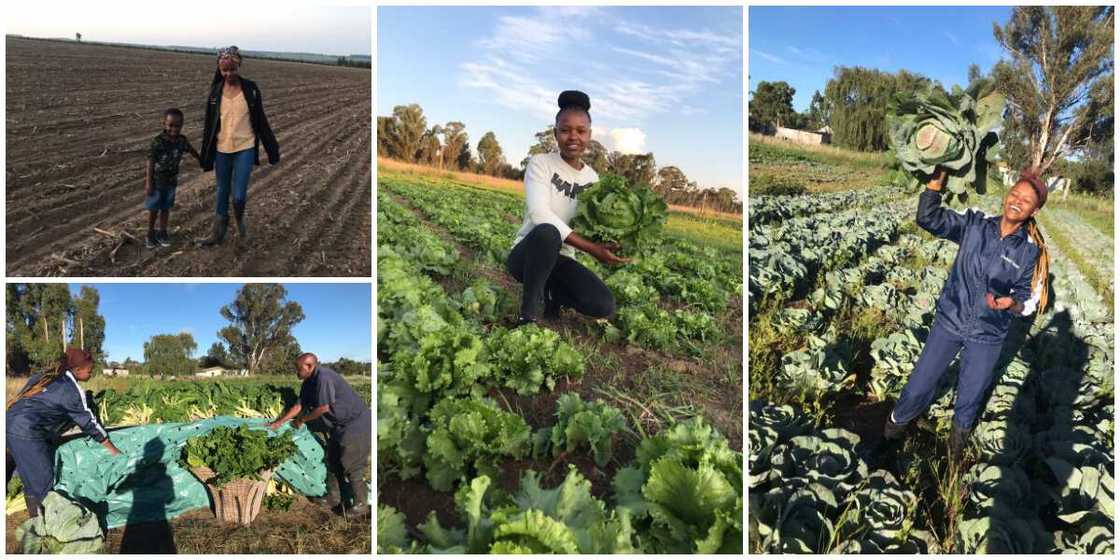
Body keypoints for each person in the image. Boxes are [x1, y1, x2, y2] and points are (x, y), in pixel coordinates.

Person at [880, 167, 1050, 459]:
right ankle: (889, 438)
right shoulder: (975, 223)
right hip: (950, 320)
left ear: (1035, 210)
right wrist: (936, 181)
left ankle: (953, 457)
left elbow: (1027, 299)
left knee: (970, 399)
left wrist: (1012, 304)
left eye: (1026, 201)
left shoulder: (1030, 251)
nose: (1016, 202)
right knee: (918, 385)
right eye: (1014, 194)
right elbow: (929, 218)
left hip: (988, 335)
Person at [507, 90, 627, 325]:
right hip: (528, 256)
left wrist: (614, 241)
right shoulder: (540, 163)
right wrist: (592, 249)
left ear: (589, 135)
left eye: (581, 131)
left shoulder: (593, 179)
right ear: (555, 133)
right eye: (565, 130)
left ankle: (553, 295)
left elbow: (594, 225)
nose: (573, 137)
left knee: (603, 304)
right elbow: (540, 214)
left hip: (561, 259)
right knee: (547, 232)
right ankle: (529, 312)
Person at [6, 348, 122, 517]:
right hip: (26, 430)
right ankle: (49, 524)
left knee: (30, 478)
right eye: (89, 370)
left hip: (10, 422)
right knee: (43, 480)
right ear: (77, 370)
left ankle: (36, 516)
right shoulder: (71, 390)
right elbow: (89, 423)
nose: (91, 373)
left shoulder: (47, 376)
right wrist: (112, 449)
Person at [268, 353, 370, 516]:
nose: (296, 372)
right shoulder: (308, 382)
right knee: (333, 460)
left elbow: (323, 408)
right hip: (337, 426)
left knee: (351, 464)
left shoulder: (324, 377)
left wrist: (302, 420)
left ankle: (360, 504)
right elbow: (299, 405)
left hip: (355, 424)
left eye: (298, 369)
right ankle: (334, 497)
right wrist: (278, 422)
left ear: (309, 366)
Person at [198, 46, 280, 247]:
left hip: (245, 147)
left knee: (239, 195)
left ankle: (240, 223)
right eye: (224, 70)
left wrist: (272, 150)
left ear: (239, 65)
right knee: (221, 191)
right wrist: (206, 155)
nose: (228, 74)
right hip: (222, 149)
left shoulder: (251, 89)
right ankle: (217, 233)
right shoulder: (215, 92)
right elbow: (209, 125)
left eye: (232, 69)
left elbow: (261, 121)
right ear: (219, 69)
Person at [145, 108, 200, 249]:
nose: (174, 129)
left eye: (178, 126)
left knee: (166, 208)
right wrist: (149, 182)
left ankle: (162, 232)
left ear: (182, 125)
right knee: (154, 208)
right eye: (170, 125)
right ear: (164, 124)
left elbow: (191, 150)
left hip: (171, 182)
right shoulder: (157, 141)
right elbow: (150, 162)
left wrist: (201, 160)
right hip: (157, 182)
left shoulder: (182, 140)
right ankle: (150, 233)